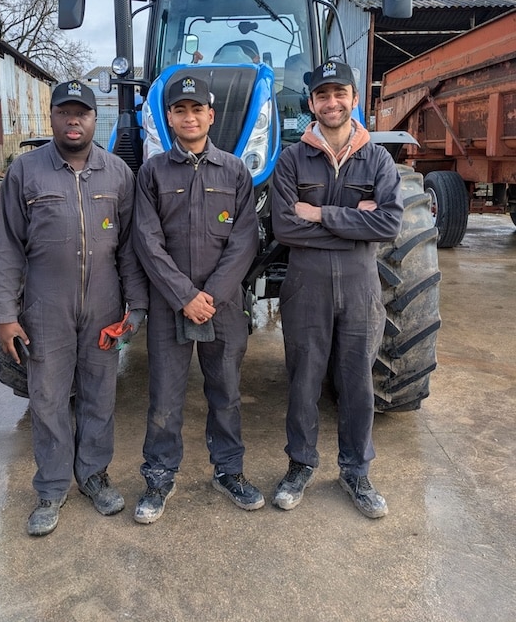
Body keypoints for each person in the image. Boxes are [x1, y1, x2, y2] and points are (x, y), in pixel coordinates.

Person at [0, 80, 148, 536]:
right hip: (45, 307)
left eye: (82, 113)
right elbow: (7, 248)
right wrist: (3, 314)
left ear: (95, 119)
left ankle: (94, 476)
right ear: (53, 117)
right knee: (48, 399)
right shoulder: (25, 171)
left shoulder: (118, 174)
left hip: (104, 307)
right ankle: (52, 487)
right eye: (64, 112)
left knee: (100, 395)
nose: (73, 120)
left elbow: (130, 250)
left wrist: (136, 304)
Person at [270, 60, 403, 519]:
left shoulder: (378, 159)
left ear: (354, 98)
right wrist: (355, 224)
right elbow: (286, 227)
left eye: (339, 93)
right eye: (323, 95)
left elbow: (388, 224)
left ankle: (356, 471)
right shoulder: (291, 159)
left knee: (357, 380)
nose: (332, 102)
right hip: (306, 284)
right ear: (311, 103)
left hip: (360, 285)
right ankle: (300, 464)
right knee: (304, 379)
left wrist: (321, 214)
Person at [132, 74, 264, 523]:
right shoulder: (151, 173)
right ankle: (159, 476)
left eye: (197, 110)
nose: (189, 117)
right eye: (180, 110)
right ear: (168, 118)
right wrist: (184, 296)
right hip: (170, 305)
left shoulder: (236, 171)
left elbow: (245, 241)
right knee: (165, 398)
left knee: (225, 392)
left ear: (211, 115)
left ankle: (229, 471)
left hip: (222, 307)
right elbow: (147, 241)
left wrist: (212, 295)